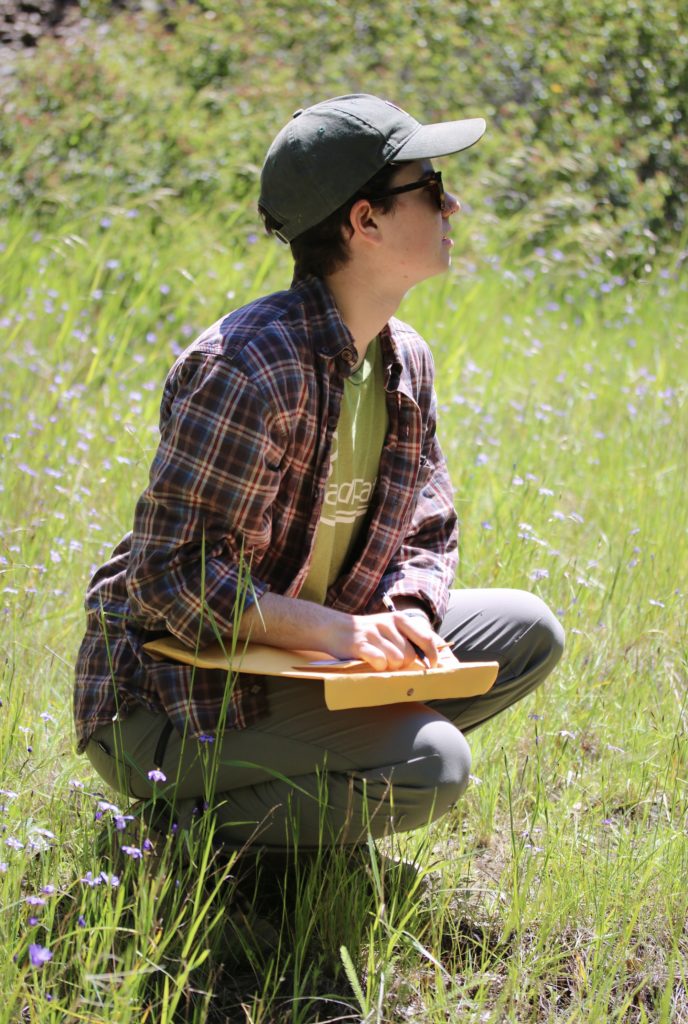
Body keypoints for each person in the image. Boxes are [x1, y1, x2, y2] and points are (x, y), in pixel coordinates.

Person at [74, 94, 564, 857]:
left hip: (299, 665)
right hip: (177, 703)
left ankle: (325, 788)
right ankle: (172, 836)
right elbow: (168, 580)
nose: (454, 202)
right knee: (435, 765)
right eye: (430, 187)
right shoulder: (248, 365)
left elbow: (427, 530)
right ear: (363, 221)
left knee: (528, 633)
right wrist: (342, 632)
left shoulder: (405, 358)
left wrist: (402, 618)